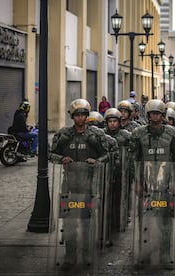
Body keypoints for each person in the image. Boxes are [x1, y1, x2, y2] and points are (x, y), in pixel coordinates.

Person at [49, 98, 110, 269]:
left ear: (87, 116)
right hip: (68, 186)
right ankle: (70, 254)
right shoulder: (63, 135)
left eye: (83, 115)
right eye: (77, 115)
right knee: (69, 222)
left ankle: (86, 253)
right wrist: (62, 159)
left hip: (89, 186)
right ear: (72, 116)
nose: (80, 118)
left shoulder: (96, 135)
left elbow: (106, 155)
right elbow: (50, 154)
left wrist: (96, 161)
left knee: (86, 222)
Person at [130, 99, 175, 268]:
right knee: (145, 219)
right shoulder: (138, 134)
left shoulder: (173, 134)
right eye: (152, 114)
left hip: (166, 185)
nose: (155, 117)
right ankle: (144, 254)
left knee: (166, 220)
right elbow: (134, 160)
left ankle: (165, 254)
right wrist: (137, 182)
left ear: (163, 115)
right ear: (148, 115)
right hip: (145, 185)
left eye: (158, 114)